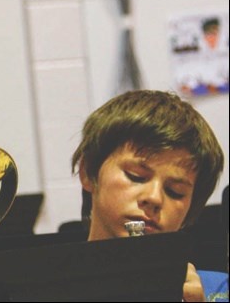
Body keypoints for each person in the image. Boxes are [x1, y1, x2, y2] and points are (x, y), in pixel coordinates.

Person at [71, 89, 227, 302]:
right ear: (88, 173)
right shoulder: (32, 291)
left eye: (175, 192)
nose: (154, 198)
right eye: (136, 176)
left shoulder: (220, 290)